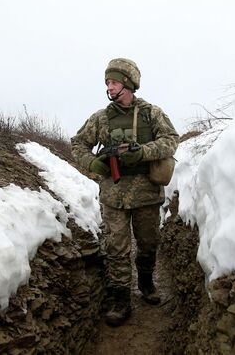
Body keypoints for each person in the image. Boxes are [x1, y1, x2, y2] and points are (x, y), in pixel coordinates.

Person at [71, 58, 179, 327]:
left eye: (115, 81)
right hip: (114, 195)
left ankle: (146, 282)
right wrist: (93, 163)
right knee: (116, 248)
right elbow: (77, 144)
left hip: (146, 194)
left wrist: (143, 152)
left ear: (129, 84)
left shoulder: (151, 114)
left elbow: (171, 141)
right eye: (107, 82)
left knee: (148, 243)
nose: (110, 86)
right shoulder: (100, 118)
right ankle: (120, 298)